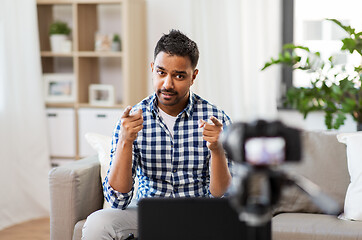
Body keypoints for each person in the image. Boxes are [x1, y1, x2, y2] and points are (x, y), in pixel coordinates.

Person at [82, 29, 232, 240]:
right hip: (147, 213)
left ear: (193, 77)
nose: (167, 84)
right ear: (152, 69)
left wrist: (217, 150)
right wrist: (125, 141)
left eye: (179, 76)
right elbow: (117, 201)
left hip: (199, 214)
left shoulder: (216, 119)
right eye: (161, 73)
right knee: (97, 224)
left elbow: (221, 196)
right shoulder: (132, 119)